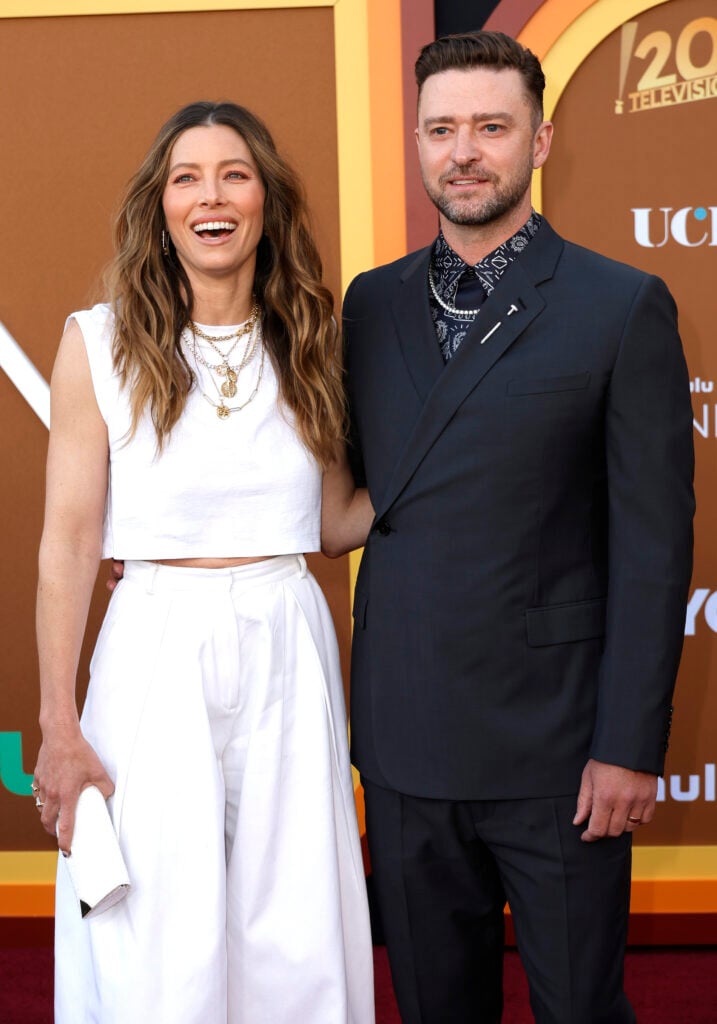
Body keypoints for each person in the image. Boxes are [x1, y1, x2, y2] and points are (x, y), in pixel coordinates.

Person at [336, 31, 694, 1024]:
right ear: (414, 141)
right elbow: (330, 489)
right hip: (407, 747)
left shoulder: (620, 307)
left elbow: (654, 549)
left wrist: (628, 746)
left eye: (491, 127)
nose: (464, 151)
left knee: (580, 1007)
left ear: (539, 141)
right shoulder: (370, 306)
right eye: (441, 128)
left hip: (561, 752)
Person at [32, 100, 375, 1024]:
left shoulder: (313, 336)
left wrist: (460, 469)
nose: (210, 196)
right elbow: (68, 538)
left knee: (295, 925)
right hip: (150, 639)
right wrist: (58, 724)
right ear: (161, 204)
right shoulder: (95, 343)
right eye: (187, 177)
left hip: (285, 635)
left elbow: (336, 517)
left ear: (266, 199)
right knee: (151, 930)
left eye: (234, 174)